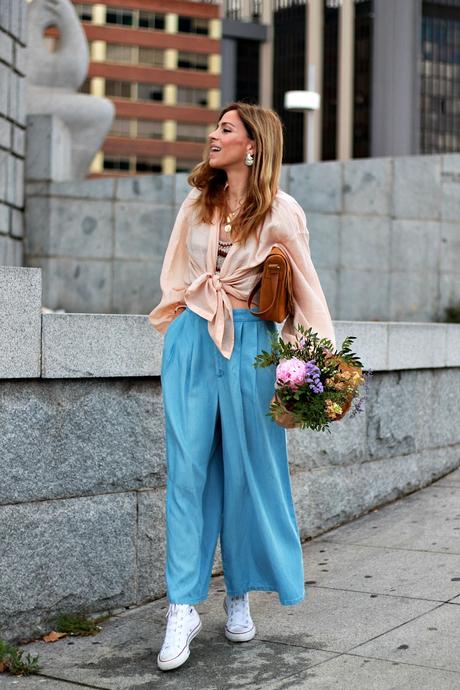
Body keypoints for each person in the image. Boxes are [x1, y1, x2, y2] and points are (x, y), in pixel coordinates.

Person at [148, 102, 336, 672]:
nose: (214, 135)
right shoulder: (196, 202)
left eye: (226, 129)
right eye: (216, 127)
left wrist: (315, 368)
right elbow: (173, 276)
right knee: (187, 471)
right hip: (191, 340)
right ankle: (182, 604)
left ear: (253, 144)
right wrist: (191, 311)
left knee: (249, 472)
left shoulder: (282, 211)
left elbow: (306, 293)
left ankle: (238, 592)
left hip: (253, 344)